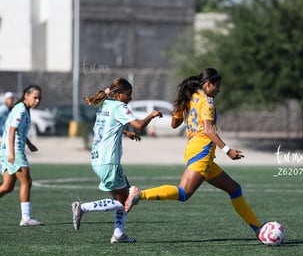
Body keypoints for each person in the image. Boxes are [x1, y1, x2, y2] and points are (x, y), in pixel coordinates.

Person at [125, 68, 263, 239]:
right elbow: (207, 128)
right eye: (217, 86)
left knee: (234, 189)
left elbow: (174, 124)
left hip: (194, 150)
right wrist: (228, 150)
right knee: (184, 193)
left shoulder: (188, 97)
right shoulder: (207, 100)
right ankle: (139, 194)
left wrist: (180, 107)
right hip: (202, 151)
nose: (218, 90)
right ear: (207, 84)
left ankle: (258, 229)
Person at [71, 77, 162, 243]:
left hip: (99, 158)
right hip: (108, 161)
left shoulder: (105, 104)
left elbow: (109, 126)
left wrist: (126, 133)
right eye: (128, 94)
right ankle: (82, 207)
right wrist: (152, 115)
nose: (130, 98)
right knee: (125, 201)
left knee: (127, 198)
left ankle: (119, 234)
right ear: (119, 95)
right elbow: (139, 125)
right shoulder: (120, 106)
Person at [0, 85, 44, 226]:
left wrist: (29, 143)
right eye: (35, 97)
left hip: (6, 149)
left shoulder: (23, 109)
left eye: (39, 98)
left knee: (7, 186)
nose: (37, 101)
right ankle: (26, 218)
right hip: (14, 151)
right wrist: (12, 153)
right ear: (26, 95)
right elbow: (12, 131)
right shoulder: (20, 110)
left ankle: (26, 217)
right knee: (26, 181)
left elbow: (19, 131)